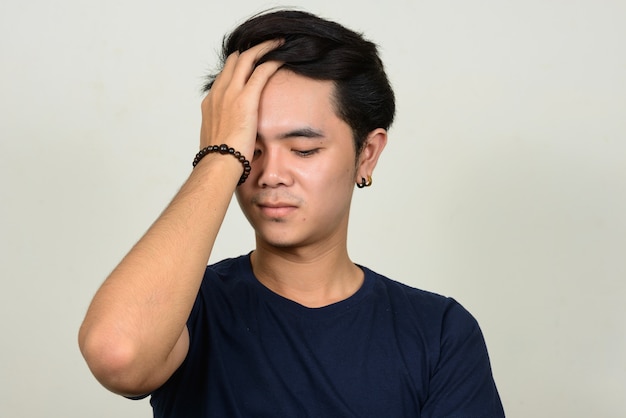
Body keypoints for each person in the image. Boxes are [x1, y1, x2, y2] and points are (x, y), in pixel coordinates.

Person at [79, 8, 505, 417]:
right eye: (252, 150)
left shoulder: (438, 333)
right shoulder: (188, 309)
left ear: (367, 155)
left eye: (303, 150)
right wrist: (220, 155)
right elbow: (118, 354)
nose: (270, 174)